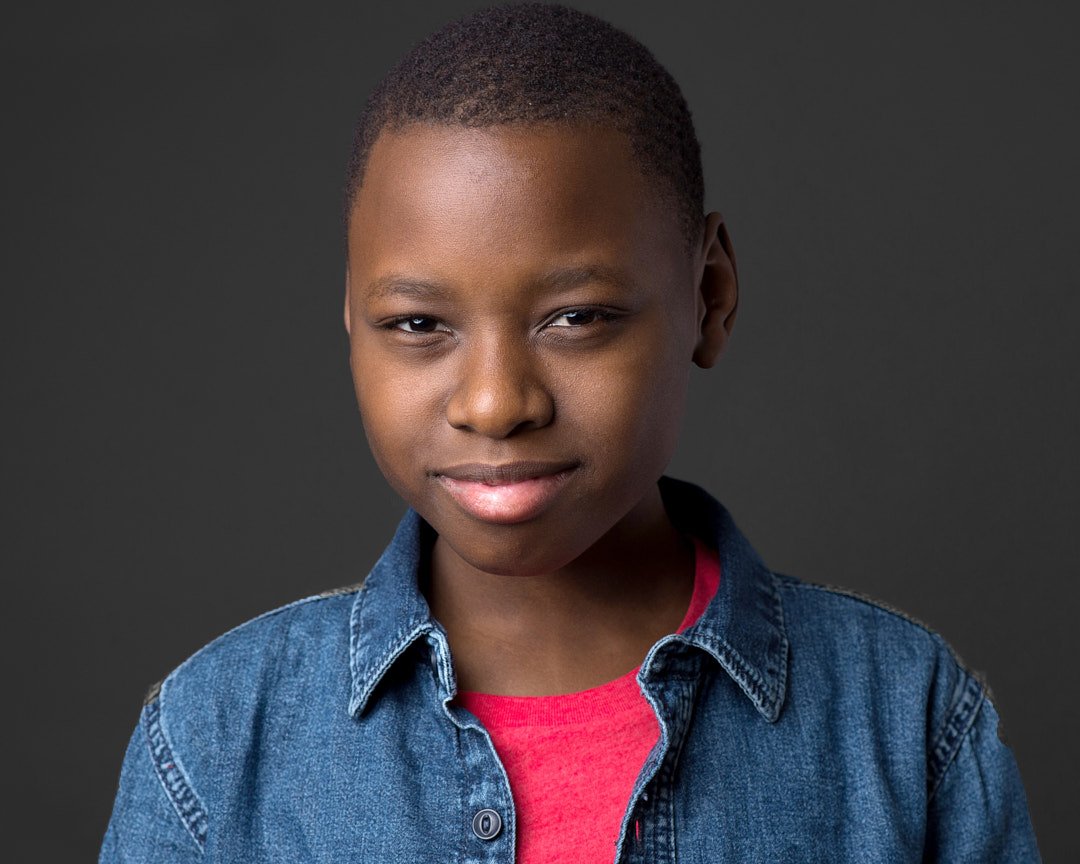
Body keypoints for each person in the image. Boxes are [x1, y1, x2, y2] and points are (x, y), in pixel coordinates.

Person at [99, 4, 1040, 861]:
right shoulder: (214, 747)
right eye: (419, 325)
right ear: (351, 318)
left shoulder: (907, 722)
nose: (496, 402)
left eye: (576, 318)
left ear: (708, 296)